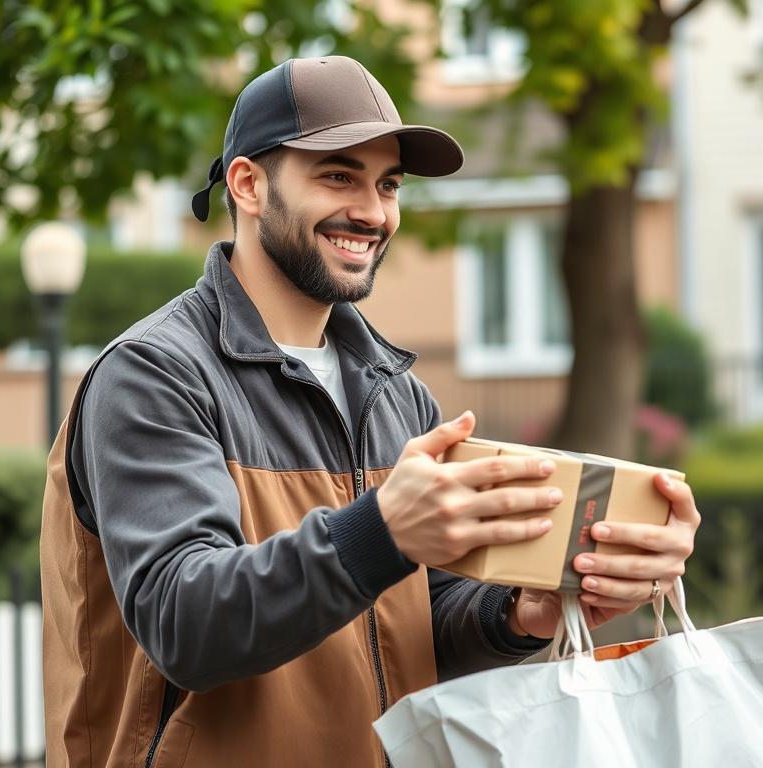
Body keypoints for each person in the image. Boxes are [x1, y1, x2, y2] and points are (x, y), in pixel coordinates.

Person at [40, 55, 701, 767]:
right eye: (338, 175)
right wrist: (380, 532)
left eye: (387, 184)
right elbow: (186, 625)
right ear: (248, 183)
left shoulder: (397, 391)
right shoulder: (154, 375)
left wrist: (522, 615)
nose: (373, 211)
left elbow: (422, 626)